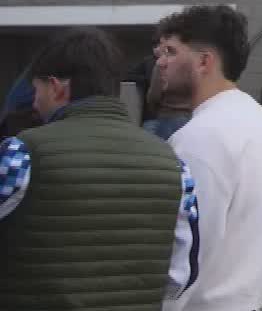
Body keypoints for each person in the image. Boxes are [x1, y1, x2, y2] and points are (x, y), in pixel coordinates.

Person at [0, 26, 201, 310]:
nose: (34, 101)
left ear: (58, 87)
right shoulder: (175, 166)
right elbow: (183, 273)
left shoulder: (21, 153)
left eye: (37, 90)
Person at [156, 4, 262, 311]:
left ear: (205, 62)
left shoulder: (201, 137)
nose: (161, 63)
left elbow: (187, 252)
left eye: (171, 51)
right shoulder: (260, 121)